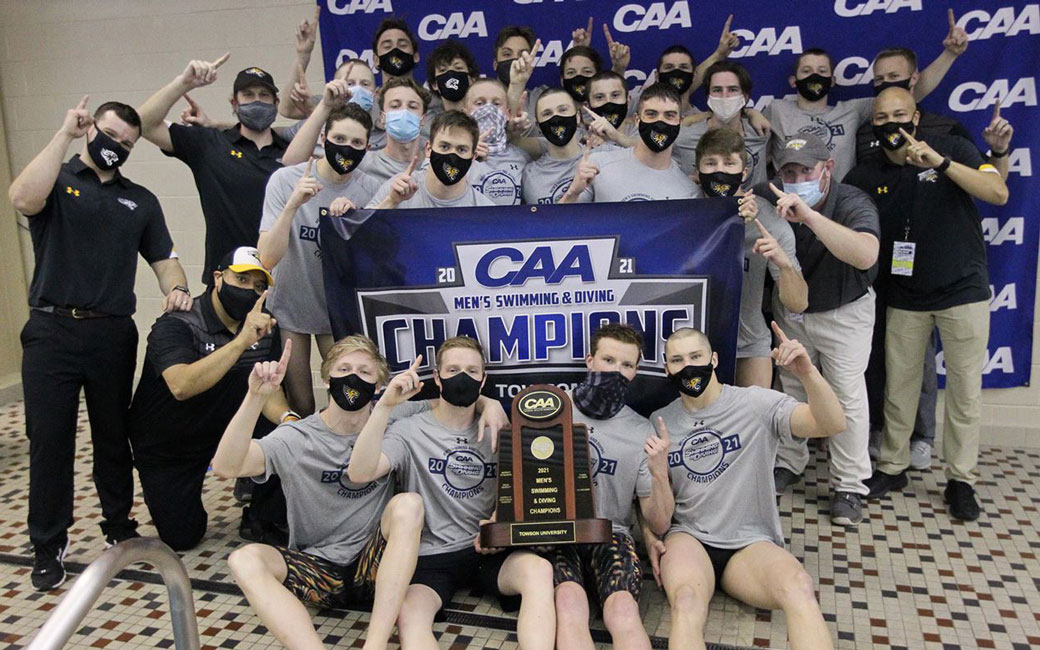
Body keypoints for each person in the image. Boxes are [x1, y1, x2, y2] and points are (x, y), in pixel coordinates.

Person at [9, 98, 192, 590]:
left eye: (126, 143)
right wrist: (63, 134)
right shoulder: (58, 178)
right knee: (50, 440)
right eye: (109, 136)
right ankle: (48, 544)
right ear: (91, 129)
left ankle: (118, 525)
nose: (116, 147)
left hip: (111, 331)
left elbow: (165, 257)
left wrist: (175, 286)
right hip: (52, 331)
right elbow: (22, 198)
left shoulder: (141, 200)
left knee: (113, 433)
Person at [845, 88, 1009, 521]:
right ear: (873, 125)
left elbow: (997, 191)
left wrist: (940, 163)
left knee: (964, 392)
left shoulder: (952, 146)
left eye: (900, 115)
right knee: (899, 389)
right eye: (882, 118)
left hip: (962, 291)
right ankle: (894, 466)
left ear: (915, 119)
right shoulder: (867, 173)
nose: (891, 124)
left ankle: (961, 479)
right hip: (905, 296)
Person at [215, 335, 424, 650]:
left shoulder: (393, 416)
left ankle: (375, 645)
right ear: (327, 379)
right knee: (243, 559)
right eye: (343, 369)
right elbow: (226, 466)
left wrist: (487, 403)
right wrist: (255, 398)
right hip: (318, 567)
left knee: (409, 505)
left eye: (365, 373)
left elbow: (445, 406)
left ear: (379, 386)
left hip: (375, 567)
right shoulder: (297, 437)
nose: (353, 378)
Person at [347, 337, 556, 649]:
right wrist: (386, 406)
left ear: (484, 380)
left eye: (472, 371)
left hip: (484, 551)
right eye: (453, 369)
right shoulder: (410, 430)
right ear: (438, 377)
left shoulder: (500, 427)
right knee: (410, 617)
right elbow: (360, 473)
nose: (463, 377)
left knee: (540, 570)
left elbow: (528, 488)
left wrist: (502, 520)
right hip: (431, 557)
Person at [646, 326, 845, 650]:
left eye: (696, 356)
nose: (688, 366)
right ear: (667, 368)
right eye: (678, 360)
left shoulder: (755, 403)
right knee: (685, 602)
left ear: (713, 359)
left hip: (750, 542)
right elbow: (650, 498)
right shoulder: (660, 421)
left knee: (799, 587)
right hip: (689, 538)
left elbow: (832, 423)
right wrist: (651, 534)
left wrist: (808, 374)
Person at [756, 133, 880, 527]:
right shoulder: (765, 193)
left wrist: (808, 215)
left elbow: (865, 254)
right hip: (792, 311)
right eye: (787, 172)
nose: (795, 180)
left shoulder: (851, 201)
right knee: (792, 387)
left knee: (844, 394)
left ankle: (849, 485)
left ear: (827, 169)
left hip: (845, 310)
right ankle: (790, 461)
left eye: (805, 170)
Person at [127, 247, 286, 551]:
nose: (250, 291)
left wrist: (291, 422)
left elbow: (270, 392)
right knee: (182, 537)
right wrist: (241, 343)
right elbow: (181, 385)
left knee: (287, 434)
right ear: (217, 277)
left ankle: (261, 518)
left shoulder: (265, 327)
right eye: (241, 280)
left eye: (258, 286)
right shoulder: (177, 323)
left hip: (225, 430)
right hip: (170, 443)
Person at [552, 324, 673, 650]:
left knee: (622, 610)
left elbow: (659, 522)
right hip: (557, 532)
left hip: (611, 534)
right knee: (568, 604)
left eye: (626, 365)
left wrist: (659, 472)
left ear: (635, 372)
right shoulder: (551, 410)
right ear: (590, 361)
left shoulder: (640, 429)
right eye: (608, 360)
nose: (616, 371)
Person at [258, 104, 382, 416]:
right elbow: (266, 258)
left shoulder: (369, 189)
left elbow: (379, 262)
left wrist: (355, 222)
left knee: (347, 398)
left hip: (337, 310)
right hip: (290, 307)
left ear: (367, 148)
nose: (347, 148)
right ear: (323, 138)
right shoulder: (285, 180)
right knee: (300, 402)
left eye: (356, 143)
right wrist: (292, 206)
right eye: (339, 138)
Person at [137, 54, 288, 285]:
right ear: (234, 104)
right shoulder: (210, 144)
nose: (257, 101)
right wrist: (184, 82)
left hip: (284, 285)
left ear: (276, 103)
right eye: (248, 95)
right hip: (226, 283)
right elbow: (143, 124)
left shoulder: (294, 153)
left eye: (264, 95)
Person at [765, 13, 968, 181]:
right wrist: (751, 112)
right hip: (791, 198)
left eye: (822, 70)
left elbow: (907, 96)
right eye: (807, 71)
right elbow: (740, 126)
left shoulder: (851, 110)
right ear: (793, 81)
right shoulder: (776, 110)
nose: (814, 76)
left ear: (833, 80)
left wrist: (949, 54)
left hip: (840, 202)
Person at [691, 128, 807, 388]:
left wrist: (784, 264)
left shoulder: (767, 219)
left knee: (756, 421)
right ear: (697, 173)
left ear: (743, 173)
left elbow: (799, 302)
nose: (720, 171)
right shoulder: (683, 210)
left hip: (748, 343)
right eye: (711, 163)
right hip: (693, 341)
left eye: (729, 163)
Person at [560, 83, 697, 203]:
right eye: (651, 114)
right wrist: (573, 192)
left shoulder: (689, 192)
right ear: (637, 120)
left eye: (669, 115)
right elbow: (559, 224)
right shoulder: (597, 165)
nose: (660, 122)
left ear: (680, 121)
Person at [367, 110, 494, 209]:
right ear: (428, 149)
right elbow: (360, 235)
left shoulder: (483, 209)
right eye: (444, 146)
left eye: (461, 150)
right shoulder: (400, 187)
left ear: (473, 157)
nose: (452, 156)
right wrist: (392, 201)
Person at [672, 61, 769, 188]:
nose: (725, 96)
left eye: (732, 89)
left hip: (754, 206)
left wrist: (751, 113)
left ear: (744, 97)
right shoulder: (683, 139)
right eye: (717, 90)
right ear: (708, 97)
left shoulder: (760, 132)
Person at [465, 78, 531, 205]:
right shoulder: (451, 154)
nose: (489, 109)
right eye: (479, 103)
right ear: (465, 113)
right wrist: (465, 153)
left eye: (496, 104)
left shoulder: (522, 158)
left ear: (507, 114)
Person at [520, 88, 585, 204]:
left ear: (578, 116)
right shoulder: (529, 175)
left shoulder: (602, 156)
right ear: (538, 126)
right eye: (547, 114)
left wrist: (616, 136)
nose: (556, 118)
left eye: (563, 110)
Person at [424, 39, 481, 125]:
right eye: (443, 70)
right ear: (434, 85)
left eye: (458, 68)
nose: (451, 73)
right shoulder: (426, 125)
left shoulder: (484, 117)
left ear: (472, 79)